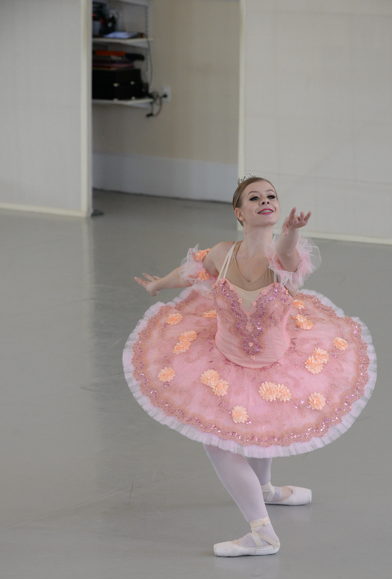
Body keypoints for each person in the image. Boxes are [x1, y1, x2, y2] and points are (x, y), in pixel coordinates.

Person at [123, 176, 377, 557]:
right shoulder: (222, 254)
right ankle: (266, 490)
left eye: (271, 196)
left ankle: (262, 535)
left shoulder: (284, 259)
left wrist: (291, 232)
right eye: (254, 198)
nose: (265, 201)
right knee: (238, 431)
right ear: (239, 213)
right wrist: (158, 284)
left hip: (276, 362)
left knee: (239, 433)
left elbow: (287, 256)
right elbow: (191, 272)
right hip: (223, 357)